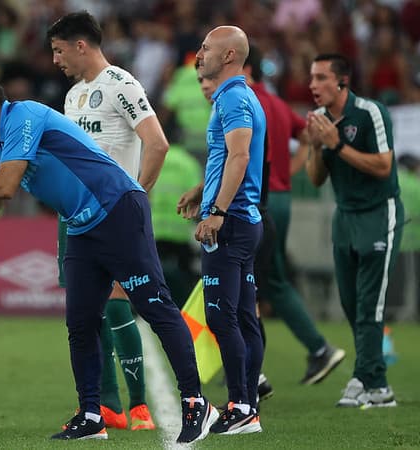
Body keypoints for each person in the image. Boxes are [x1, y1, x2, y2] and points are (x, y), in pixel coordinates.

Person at [0, 74, 218, 444]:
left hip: (117, 209)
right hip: (81, 226)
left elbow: (3, 187)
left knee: (157, 308)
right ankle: (90, 414)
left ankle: (197, 402)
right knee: (81, 324)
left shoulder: (24, 116)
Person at [46, 11, 166, 431]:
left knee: (119, 306)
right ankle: (106, 407)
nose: (56, 61)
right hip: (75, 217)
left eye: (60, 51)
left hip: (114, 215)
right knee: (86, 313)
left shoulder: (122, 84)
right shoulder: (72, 97)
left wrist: (135, 199)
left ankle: (139, 406)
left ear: (82, 45)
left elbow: (157, 143)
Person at [178, 26, 265, 434]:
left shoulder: (232, 98)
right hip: (242, 220)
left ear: (230, 55)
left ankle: (241, 406)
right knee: (244, 318)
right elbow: (229, 155)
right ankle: (246, 405)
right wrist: (202, 190)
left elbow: (242, 154)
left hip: (229, 225)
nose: (199, 53)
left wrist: (216, 211)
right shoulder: (239, 96)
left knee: (222, 317)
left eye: (206, 47)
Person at [243, 46, 346, 387]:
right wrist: (294, 169)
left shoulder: (240, 100)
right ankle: (306, 352)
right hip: (281, 197)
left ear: (244, 67)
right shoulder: (276, 103)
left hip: (259, 201)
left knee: (255, 282)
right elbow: (306, 135)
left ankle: (257, 369)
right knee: (269, 280)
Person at [305, 53, 403, 408]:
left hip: (378, 213)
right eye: (312, 78)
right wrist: (316, 148)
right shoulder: (321, 122)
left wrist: (337, 145)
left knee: (369, 304)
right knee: (350, 302)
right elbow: (316, 178)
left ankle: (369, 381)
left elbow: (383, 165)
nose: (313, 85)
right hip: (344, 217)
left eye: (320, 78)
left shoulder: (370, 113)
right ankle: (373, 383)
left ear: (342, 81)